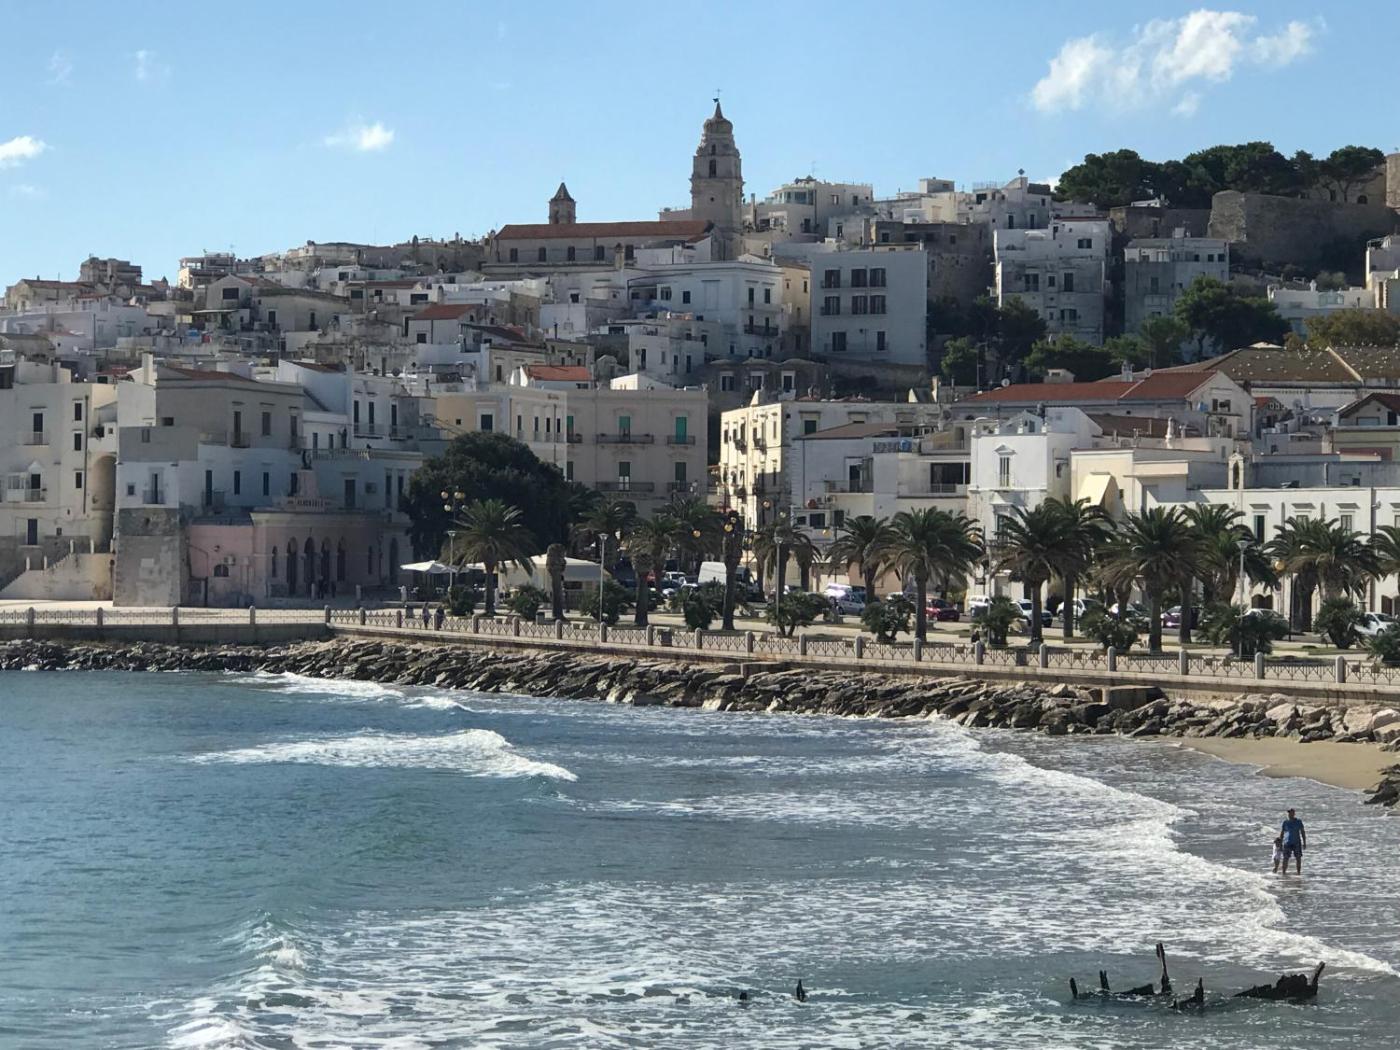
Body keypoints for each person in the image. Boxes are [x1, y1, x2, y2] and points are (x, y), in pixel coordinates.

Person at [1279, 808, 1306, 874]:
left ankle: (1298, 873)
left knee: (1298, 858)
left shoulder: (1298, 821)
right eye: (1289, 813)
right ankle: (1283, 873)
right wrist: (1280, 843)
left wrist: (1304, 842)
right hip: (1287, 842)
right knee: (1285, 858)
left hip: (1296, 842)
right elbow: (1282, 833)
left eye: (1291, 813)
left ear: (1294, 813)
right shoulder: (1285, 822)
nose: (1289, 814)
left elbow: (1302, 832)